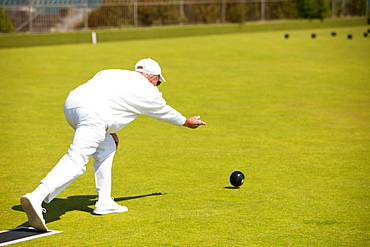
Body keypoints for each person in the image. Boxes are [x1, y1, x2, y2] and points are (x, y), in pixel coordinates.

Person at [20, 58, 206, 232]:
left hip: (71, 106)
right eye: (158, 82)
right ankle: (37, 196)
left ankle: (104, 202)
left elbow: (106, 97)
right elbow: (164, 111)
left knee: (107, 146)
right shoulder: (148, 91)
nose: (157, 85)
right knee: (76, 160)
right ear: (153, 78)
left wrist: (106, 127)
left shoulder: (111, 72)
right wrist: (186, 121)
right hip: (93, 115)